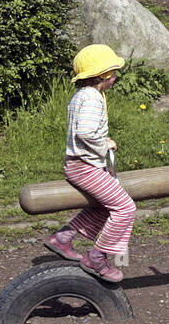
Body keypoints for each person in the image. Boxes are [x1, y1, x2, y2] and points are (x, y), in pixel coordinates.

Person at [44, 44, 136, 283]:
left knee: (103, 206)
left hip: (78, 164)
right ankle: (97, 257)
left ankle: (63, 238)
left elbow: (82, 130)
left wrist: (101, 140)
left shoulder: (81, 96)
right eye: (113, 72)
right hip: (85, 167)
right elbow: (84, 132)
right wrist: (103, 145)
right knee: (125, 208)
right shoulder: (93, 98)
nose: (116, 76)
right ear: (103, 75)